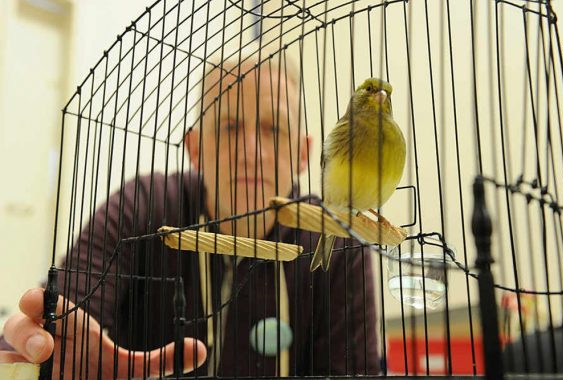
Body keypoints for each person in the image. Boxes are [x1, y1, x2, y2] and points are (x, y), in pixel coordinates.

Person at [0, 51, 380, 378]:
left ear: (303, 152)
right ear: (194, 147)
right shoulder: (140, 207)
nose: (250, 151)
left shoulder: (338, 239)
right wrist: (40, 350)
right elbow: (63, 324)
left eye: (272, 129)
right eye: (229, 127)